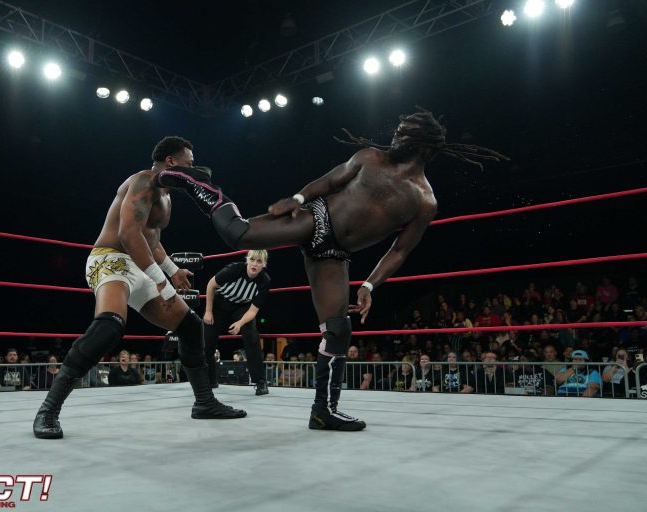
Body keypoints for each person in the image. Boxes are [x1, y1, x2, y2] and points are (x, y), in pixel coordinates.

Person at [159, 108, 506, 430]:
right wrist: (297, 199)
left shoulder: (424, 200)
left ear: (423, 144)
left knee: (338, 330)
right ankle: (196, 183)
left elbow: (400, 251)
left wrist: (369, 285)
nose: (396, 136)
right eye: (398, 130)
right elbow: (328, 182)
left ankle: (323, 411)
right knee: (239, 234)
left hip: (335, 254)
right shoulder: (370, 157)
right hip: (317, 218)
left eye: (405, 133)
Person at [33, 136, 246, 439]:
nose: (193, 168)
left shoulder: (167, 195)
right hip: (110, 259)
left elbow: (151, 240)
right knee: (109, 327)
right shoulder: (145, 181)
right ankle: (48, 410)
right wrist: (161, 281)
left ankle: (204, 402)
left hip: (138, 264)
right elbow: (129, 234)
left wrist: (172, 271)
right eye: (189, 163)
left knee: (190, 326)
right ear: (171, 162)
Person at [204, 250, 271, 395]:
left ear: (264, 264)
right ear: (247, 260)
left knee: (252, 335)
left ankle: (260, 381)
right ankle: (210, 380)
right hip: (220, 302)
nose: (254, 264)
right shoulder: (234, 269)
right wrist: (208, 311)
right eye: (252, 260)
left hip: (242, 307)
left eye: (259, 261)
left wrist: (240, 323)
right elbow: (211, 285)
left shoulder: (264, 281)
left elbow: (253, 311)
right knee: (207, 339)